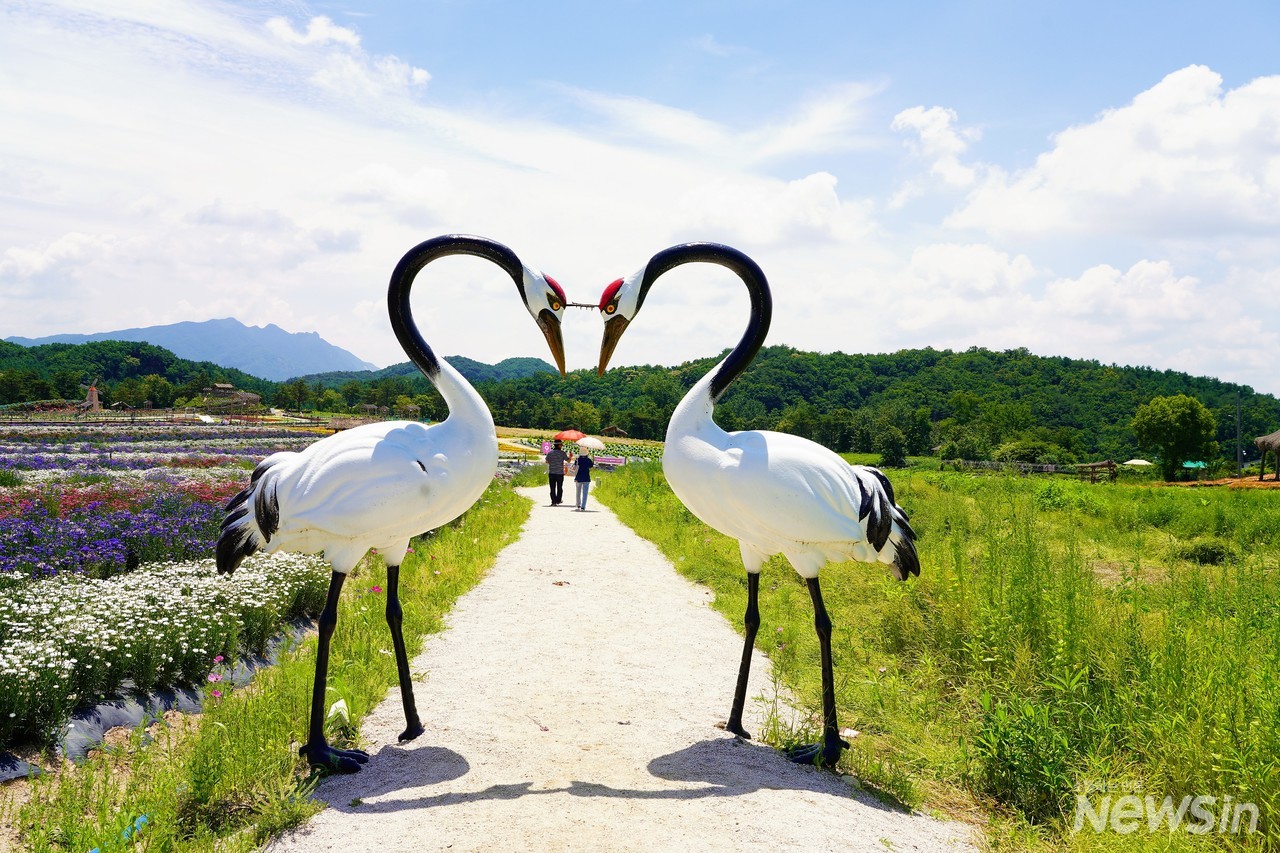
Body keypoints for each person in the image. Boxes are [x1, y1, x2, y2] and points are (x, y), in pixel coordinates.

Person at [545, 439, 569, 506]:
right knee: (559, 487)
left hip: (552, 473)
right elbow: (568, 461)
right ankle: (558, 500)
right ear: (558, 445)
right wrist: (570, 456)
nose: (562, 446)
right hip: (560, 473)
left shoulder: (550, 453)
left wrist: (552, 463)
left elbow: (546, 461)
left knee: (552, 488)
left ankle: (553, 501)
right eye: (561, 445)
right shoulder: (562, 453)